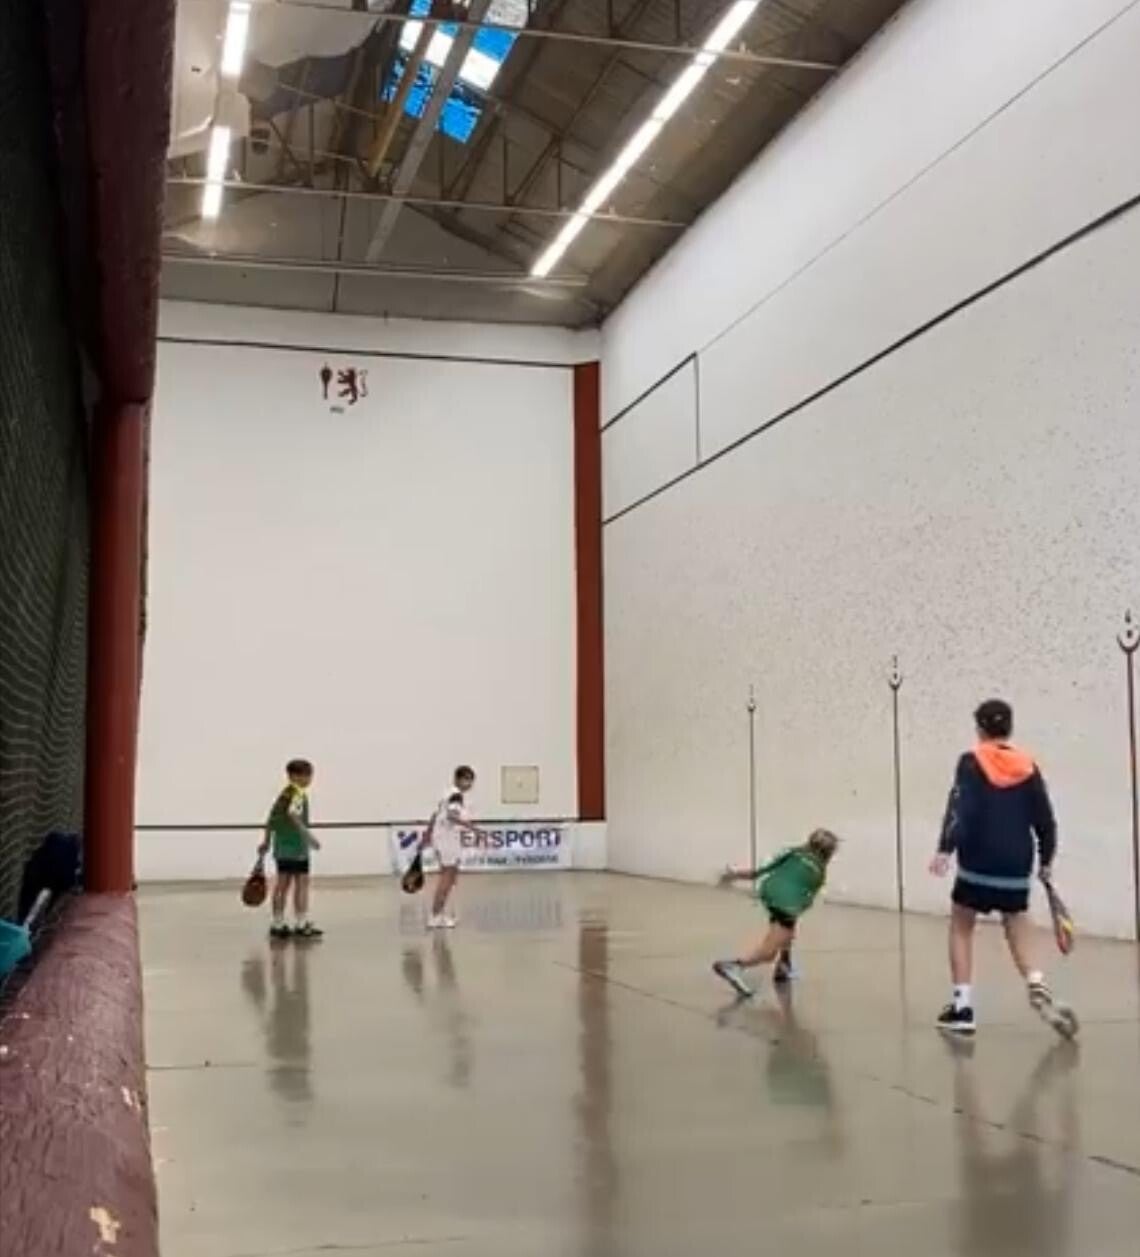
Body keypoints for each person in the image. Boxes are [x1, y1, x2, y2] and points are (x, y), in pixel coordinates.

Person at [930, 699, 1076, 1037]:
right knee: (1016, 921)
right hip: (1015, 864)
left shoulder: (971, 762)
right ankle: (1035, 980)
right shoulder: (1028, 766)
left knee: (961, 925)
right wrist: (1046, 861)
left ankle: (962, 1008)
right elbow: (1045, 820)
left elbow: (960, 808)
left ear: (980, 728)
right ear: (1008, 728)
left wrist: (945, 848)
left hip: (978, 860)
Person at [712, 829, 840, 998]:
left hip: (768, 891)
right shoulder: (820, 872)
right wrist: (795, 910)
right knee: (769, 952)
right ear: (828, 853)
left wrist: (733, 875)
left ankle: (784, 966)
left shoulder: (794, 852)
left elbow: (758, 872)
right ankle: (733, 966)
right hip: (786, 903)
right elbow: (806, 901)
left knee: (787, 931)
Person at [258, 758, 322, 940]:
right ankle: (301, 924)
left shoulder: (283, 794)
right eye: (307, 775)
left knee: (282, 884)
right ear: (295, 776)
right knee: (301, 884)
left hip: (281, 847)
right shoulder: (298, 793)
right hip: (297, 847)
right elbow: (293, 814)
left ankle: (278, 924)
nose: (309, 779)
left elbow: (271, 819)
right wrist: (309, 837)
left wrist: (266, 842)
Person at [422, 765, 476, 930]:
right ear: (457, 779)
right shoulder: (456, 796)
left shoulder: (447, 794)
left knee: (450, 876)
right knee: (447, 877)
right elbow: (452, 817)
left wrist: (428, 834)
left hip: (443, 838)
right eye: (466, 779)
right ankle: (435, 915)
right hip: (447, 839)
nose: (469, 783)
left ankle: (439, 913)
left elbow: (435, 815)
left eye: (471, 780)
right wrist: (471, 827)